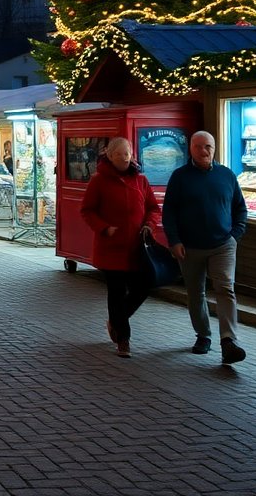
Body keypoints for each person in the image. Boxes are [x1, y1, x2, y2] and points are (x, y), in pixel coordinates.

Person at [163, 130, 248, 364]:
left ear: (214, 148)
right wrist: (174, 241)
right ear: (191, 148)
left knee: (226, 289)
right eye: (199, 146)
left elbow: (240, 208)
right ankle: (203, 335)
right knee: (195, 293)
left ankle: (229, 340)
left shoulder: (227, 176)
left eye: (208, 146)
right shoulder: (180, 177)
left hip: (223, 245)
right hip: (189, 247)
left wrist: (235, 235)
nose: (204, 151)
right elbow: (168, 212)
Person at [80, 138, 161, 358]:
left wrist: (149, 225)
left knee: (144, 286)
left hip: (136, 247)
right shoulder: (99, 181)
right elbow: (87, 210)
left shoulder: (141, 180)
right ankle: (123, 339)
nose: (126, 157)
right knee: (115, 292)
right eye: (121, 154)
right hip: (111, 248)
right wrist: (104, 228)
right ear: (110, 156)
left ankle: (116, 320)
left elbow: (153, 208)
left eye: (128, 153)